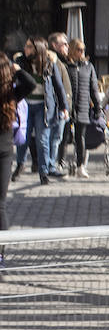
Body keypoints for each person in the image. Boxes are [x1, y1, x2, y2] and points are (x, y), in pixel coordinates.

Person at [15, 37, 68, 185]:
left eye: (29, 47)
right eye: (26, 46)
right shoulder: (21, 63)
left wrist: (64, 107)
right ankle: (20, 165)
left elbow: (59, 87)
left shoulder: (49, 65)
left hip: (42, 108)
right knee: (22, 137)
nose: (26, 49)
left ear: (38, 49)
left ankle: (43, 172)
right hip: (25, 105)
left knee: (42, 140)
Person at [0, 53, 38, 235]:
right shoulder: (11, 94)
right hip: (5, 152)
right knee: (0, 205)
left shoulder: (10, 93)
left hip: (4, 153)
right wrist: (17, 69)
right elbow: (30, 83)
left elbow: (31, 84)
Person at [65, 39, 103, 179]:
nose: (81, 52)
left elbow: (94, 89)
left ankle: (80, 166)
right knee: (64, 137)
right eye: (79, 49)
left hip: (83, 106)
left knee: (81, 138)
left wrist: (98, 107)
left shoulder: (89, 66)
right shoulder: (67, 65)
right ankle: (61, 164)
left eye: (83, 50)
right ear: (72, 50)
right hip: (68, 106)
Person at [46, 32, 74, 173]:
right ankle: (50, 165)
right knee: (54, 138)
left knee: (57, 138)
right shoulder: (53, 60)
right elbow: (57, 86)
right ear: (54, 45)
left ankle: (49, 164)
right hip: (58, 107)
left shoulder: (62, 61)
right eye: (64, 44)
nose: (67, 46)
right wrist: (63, 106)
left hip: (63, 107)